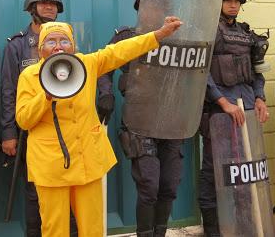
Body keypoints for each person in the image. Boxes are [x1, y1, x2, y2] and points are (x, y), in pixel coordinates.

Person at [15, 18, 182, 237]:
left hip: (87, 161)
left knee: (92, 227)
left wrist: (158, 35)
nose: (58, 46)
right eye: (51, 41)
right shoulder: (30, 76)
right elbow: (24, 120)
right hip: (51, 166)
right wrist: (45, 97)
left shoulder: (86, 64)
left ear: (73, 46)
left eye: (64, 41)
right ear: (40, 49)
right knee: (54, 229)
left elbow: (120, 51)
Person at [97, 0, 184, 237]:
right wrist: (106, 94)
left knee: (169, 186)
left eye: (158, 6)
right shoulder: (126, 37)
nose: (151, 10)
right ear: (138, 9)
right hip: (139, 122)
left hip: (172, 122)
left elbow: (195, 74)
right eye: (147, 5)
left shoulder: (179, 37)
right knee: (149, 186)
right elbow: (103, 66)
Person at [0, 0, 77, 236]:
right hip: (32, 134)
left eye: (53, 3)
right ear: (32, 8)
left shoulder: (66, 40)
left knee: (70, 201)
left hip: (66, 134)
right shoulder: (17, 45)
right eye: (43, 2)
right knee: (35, 200)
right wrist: (8, 133)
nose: (49, 7)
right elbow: (8, 91)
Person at [198, 0, 269, 237]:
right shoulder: (208, 32)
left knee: (246, 170)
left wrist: (260, 98)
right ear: (218, 2)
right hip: (218, 113)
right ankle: (214, 231)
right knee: (213, 171)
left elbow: (257, 72)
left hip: (246, 110)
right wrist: (222, 102)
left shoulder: (247, 34)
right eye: (228, 0)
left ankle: (245, 228)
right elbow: (200, 72)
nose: (233, 5)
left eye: (237, 0)